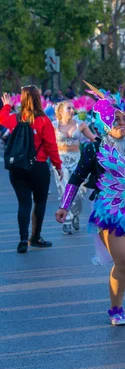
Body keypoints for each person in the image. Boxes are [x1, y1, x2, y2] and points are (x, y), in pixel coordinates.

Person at [55, 86, 125, 325]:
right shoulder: (94, 148)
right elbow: (77, 177)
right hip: (111, 210)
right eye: (115, 119)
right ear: (103, 121)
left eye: (124, 118)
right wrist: (64, 205)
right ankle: (115, 308)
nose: (121, 123)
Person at [1, 88, 62, 253]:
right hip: (38, 166)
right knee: (40, 202)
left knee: (23, 203)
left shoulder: (16, 118)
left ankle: (22, 239)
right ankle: (35, 237)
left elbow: (2, 118)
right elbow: (51, 146)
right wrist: (58, 166)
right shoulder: (43, 121)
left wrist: (7, 105)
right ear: (38, 99)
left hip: (18, 167)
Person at [53, 100, 97, 234]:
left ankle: (75, 214)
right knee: (64, 190)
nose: (72, 111)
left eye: (73, 108)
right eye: (68, 108)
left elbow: (94, 139)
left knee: (79, 194)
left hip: (77, 161)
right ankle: (67, 220)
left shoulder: (81, 125)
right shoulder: (53, 125)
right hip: (60, 161)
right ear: (61, 111)